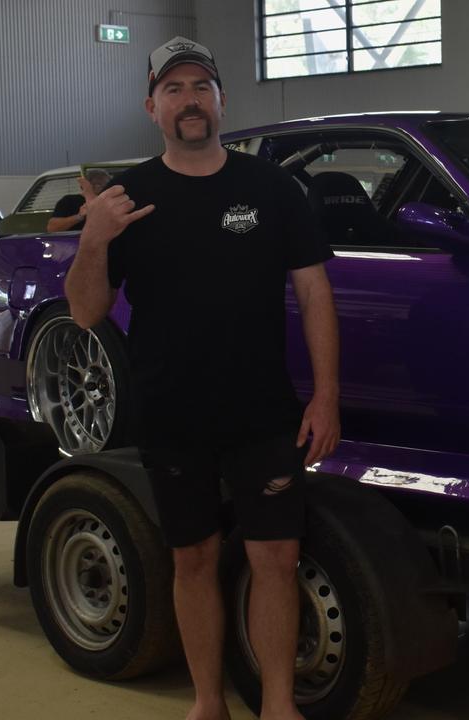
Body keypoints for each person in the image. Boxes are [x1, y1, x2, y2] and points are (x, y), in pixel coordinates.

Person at [63, 36, 340, 720]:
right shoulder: (127, 198)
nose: (190, 101)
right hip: (171, 413)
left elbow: (314, 295)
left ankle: (278, 703)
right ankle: (208, 701)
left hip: (263, 412)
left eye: (201, 87)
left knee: (276, 556)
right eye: (175, 89)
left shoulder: (273, 189)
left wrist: (327, 395)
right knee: (193, 559)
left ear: (222, 100)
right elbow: (87, 311)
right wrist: (94, 236)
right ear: (152, 105)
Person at [46, 168, 113, 232]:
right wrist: (79, 216)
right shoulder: (69, 201)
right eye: (94, 183)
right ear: (83, 185)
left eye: (104, 184)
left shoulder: (112, 201)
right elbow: (52, 228)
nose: (98, 187)